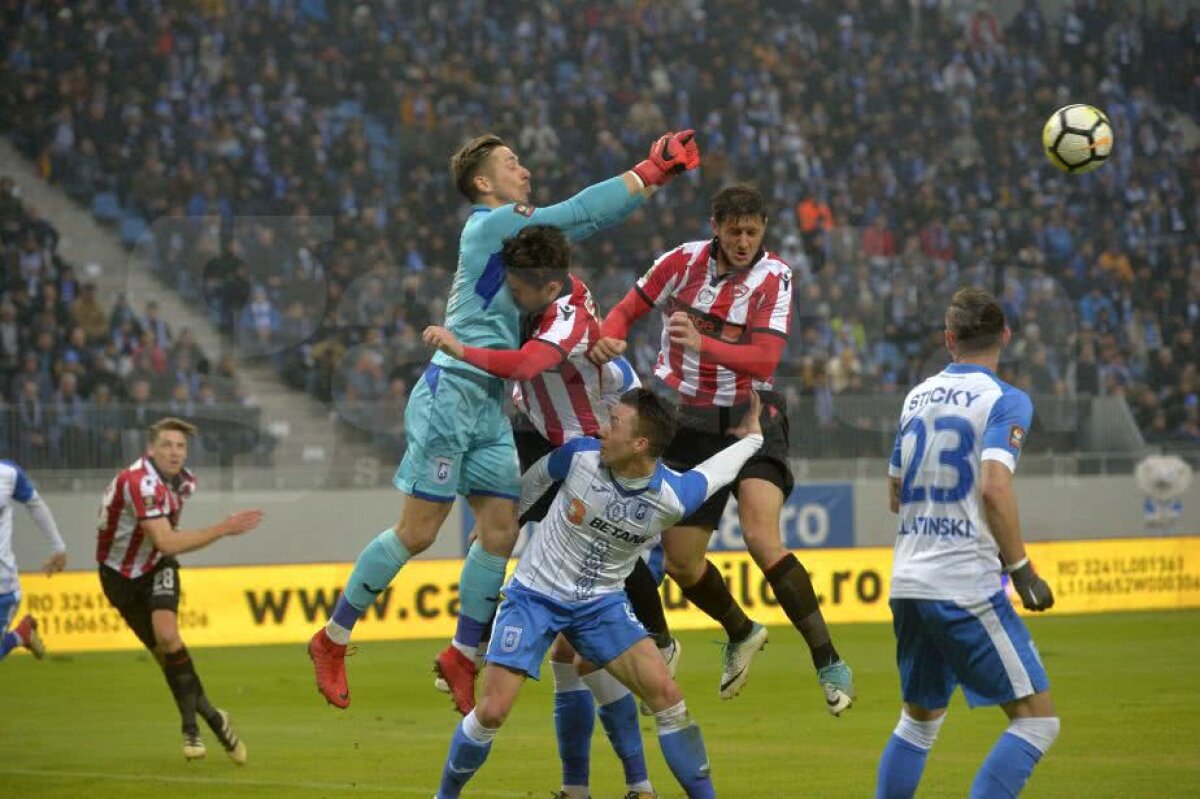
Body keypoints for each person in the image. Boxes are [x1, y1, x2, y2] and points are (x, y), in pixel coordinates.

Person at [308, 129, 701, 712]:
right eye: (512, 163)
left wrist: (651, 184)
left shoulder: (516, 238)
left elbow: (577, 229)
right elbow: (576, 214)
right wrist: (647, 173)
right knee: (418, 532)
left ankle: (462, 654)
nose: (526, 171)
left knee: (499, 532)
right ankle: (332, 638)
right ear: (483, 182)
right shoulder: (487, 223)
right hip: (452, 393)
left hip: (492, 402)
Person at [424, 224, 668, 798]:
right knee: (569, 653)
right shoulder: (554, 300)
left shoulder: (566, 317)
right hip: (567, 455)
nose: (510, 294)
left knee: (573, 641)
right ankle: (597, 787)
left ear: (550, 285)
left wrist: (459, 348)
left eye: (518, 286)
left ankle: (472, 646)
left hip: (599, 467)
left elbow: (527, 366)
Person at [591, 184, 855, 712]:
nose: (743, 240)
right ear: (715, 225)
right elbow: (626, 309)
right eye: (734, 230)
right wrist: (611, 336)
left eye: (752, 232)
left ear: (763, 232)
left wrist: (702, 343)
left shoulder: (773, 276)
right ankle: (740, 630)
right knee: (683, 565)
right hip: (687, 424)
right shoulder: (679, 262)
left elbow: (763, 360)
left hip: (750, 417)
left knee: (760, 535)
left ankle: (829, 662)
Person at [436, 388, 765, 799]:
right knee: (493, 711)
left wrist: (754, 440)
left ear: (640, 443)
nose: (601, 430)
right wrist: (509, 519)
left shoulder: (672, 499)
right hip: (535, 596)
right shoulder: (578, 457)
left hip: (601, 605)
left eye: (614, 425)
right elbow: (537, 477)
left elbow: (717, 471)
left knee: (668, 697)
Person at [875, 287, 1059, 798]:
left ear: (949, 340)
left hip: (909, 580)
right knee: (1036, 722)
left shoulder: (916, 395)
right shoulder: (1006, 399)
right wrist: (1022, 571)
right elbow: (994, 486)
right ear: (1005, 336)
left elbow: (895, 493)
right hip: (962, 585)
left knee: (919, 721)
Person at [96, 417, 263, 762]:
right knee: (167, 659)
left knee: (169, 637)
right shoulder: (139, 482)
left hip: (157, 564)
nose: (175, 452)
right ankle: (217, 720)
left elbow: (164, 545)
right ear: (151, 449)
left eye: (181, 446)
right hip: (118, 577)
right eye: (167, 445)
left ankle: (191, 729)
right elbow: (166, 537)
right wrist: (224, 528)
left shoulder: (184, 482)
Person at [0, 460, 66, 662]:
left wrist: (58, 547)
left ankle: (20, 635)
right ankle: (22, 634)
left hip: (2, 586)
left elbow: (35, 504)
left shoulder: (7, 474)